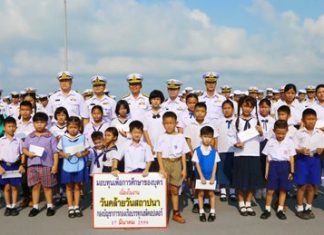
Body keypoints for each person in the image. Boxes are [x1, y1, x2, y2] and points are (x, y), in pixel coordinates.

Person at [230, 95, 264, 216]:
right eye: (245, 106)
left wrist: (261, 133)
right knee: (240, 181)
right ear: (241, 106)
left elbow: (261, 139)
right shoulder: (236, 120)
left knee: (252, 181)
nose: (247, 109)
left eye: (250, 107)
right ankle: (241, 203)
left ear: (253, 108)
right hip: (240, 154)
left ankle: (248, 203)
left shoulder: (256, 121)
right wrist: (236, 144)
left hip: (254, 154)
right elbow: (231, 137)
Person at [156, 111, 190, 224]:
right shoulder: (161, 136)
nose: (169, 125)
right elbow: (159, 153)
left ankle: (176, 213)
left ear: (176, 123)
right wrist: (161, 168)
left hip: (176, 164)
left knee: (175, 189)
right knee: (164, 190)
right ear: (163, 124)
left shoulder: (180, 137)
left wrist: (184, 168)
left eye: (171, 123)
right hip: (165, 163)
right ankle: (161, 213)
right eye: (166, 123)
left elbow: (184, 154)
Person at [22, 112, 58, 217]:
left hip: (47, 165)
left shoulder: (50, 136)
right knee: (35, 187)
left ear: (46, 123)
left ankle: (50, 206)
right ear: (33, 123)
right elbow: (24, 148)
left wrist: (55, 165)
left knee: (47, 187)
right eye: (37, 122)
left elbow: (55, 152)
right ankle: (35, 207)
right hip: (33, 165)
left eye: (42, 122)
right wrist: (28, 153)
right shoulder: (30, 136)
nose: (39, 124)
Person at [184, 102, 218, 213]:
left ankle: (207, 201)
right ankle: (196, 202)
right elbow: (188, 140)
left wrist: (214, 151)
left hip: (207, 155)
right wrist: (191, 153)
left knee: (207, 178)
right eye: (197, 111)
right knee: (195, 179)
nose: (199, 113)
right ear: (194, 112)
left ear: (206, 112)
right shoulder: (190, 125)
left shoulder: (210, 124)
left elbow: (215, 139)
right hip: (194, 155)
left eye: (202, 111)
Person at [260, 120, 295, 220]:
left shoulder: (289, 142)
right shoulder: (270, 142)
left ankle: (280, 209)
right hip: (273, 166)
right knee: (270, 190)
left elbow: (292, 158)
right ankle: (267, 209)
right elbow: (267, 159)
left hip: (285, 166)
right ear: (274, 131)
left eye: (283, 133)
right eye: (278, 133)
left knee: (283, 190)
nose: (280, 135)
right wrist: (266, 171)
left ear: (287, 131)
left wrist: (292, 171)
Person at [294, 108, 323, 220]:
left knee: (312, 186)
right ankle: (299, 207)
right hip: (302, 161)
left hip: (315, 160)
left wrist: (321, 150)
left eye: (313, 119)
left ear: (316, 120)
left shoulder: (320, 133)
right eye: (308, 119)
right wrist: (301, 150)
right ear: (303, 120)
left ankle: (308, 207)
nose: (311, 121)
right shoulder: (299, 132)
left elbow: (322, 146)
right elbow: (294, 147)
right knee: (302, 185)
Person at [57, 116, 89, 218]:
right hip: (67, 165)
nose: (73, 129)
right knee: (69, 186)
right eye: (71, 127)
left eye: (75, 127)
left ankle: (76, 206)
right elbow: (58, 151)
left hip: (79, 164)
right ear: (67, 127)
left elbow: (87, 150)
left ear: (79, 127)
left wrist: (82, 154)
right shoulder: (63, 138)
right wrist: (63, 155)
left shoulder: (82, 137)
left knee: (77, 186)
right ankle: (70, 207)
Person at [192, 126, 220, 222]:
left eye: (209, 137)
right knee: (201, 193)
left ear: (212, 138)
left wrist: (213, 177)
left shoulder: (214, 151)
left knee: (211, 193)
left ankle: (212, 212)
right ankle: (201, 211)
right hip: (201, 176)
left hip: (211, 176)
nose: (207, 139)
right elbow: (197, 164)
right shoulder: (197, 150)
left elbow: (215, 165)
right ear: (200, 136)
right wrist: (201, 177)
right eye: (205, 136)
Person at [0, 117, 25, 216]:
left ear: (16, 128)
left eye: (13, 126)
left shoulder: (18, 140)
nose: (11, 128)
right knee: (6, 187)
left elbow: (22, 154)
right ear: (4, 128)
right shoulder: (1, 140)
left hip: (15, 166)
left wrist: (22, 165)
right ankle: (8, 206)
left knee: (14, 187)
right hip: (4, 166)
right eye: (9, 126)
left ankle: (14, 206)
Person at [215, 100, 236, 202]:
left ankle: (232, 191)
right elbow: (215, 137)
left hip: (234, 150)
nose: (226, 110)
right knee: (222, 170)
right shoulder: (218, 122)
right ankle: (223, 190)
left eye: (229, 108)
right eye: (224, 108)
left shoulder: (237, 120)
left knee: (233, 170)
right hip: (222, 149)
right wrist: (216, 149)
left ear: (233, 109)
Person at [143, 90, 165, 172]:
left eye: (158, 99)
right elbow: (145, 131)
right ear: (150, 100)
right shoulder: (146, 114)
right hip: (150, 147)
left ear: (161, 100)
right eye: (153, 99)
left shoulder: (165, 113)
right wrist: (150, 145)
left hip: (163, 147)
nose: (155, 101)